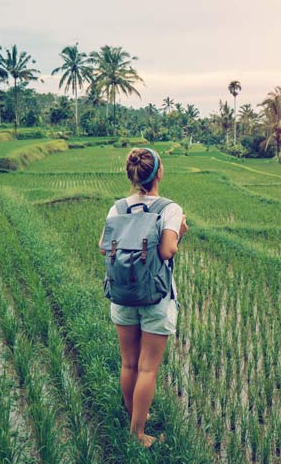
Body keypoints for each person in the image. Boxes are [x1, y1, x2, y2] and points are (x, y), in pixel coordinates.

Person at [98, 147, 187, 447]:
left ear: (132, 175)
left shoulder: (118, 208)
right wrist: (180, 232)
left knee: (129, 364)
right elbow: (167, 251)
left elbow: (103, 246)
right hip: (155, 298)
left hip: (122, 296)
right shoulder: (169, 209)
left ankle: (135, 416)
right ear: (159, 173)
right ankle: (138, 434)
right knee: (148, 367)